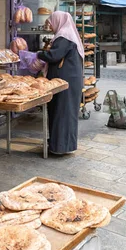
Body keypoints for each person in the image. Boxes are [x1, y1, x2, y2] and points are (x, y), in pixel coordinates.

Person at [37, 11, 84, 155]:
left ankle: (59, 147)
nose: (50, 25)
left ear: (59, 21)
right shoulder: (68, 35)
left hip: (65, 82)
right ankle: (63, 145)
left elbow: (54, 56)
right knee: (65, 112)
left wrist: (38, 54)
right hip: (70, 80)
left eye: (51, 22)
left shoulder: (64, 37)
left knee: (61, 112)